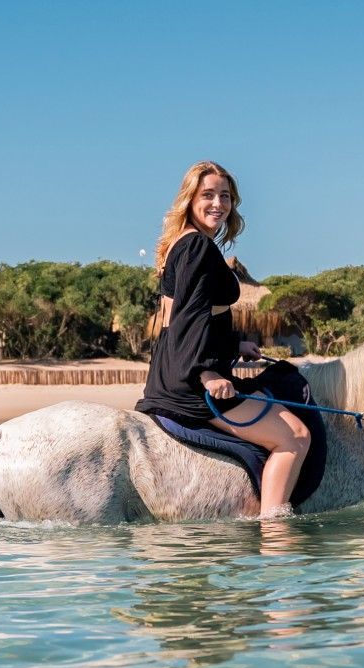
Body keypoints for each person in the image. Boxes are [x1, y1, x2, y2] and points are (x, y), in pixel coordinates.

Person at [136, 161, 310, 518]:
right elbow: (189, 316)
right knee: (295, 436)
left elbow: (178, 318)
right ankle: (274, 529)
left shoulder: (181, 242)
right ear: (189, 199)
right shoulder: (198, 245)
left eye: (225, 196)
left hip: (172, 370)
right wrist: (206, 374)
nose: (218, 204)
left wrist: (234, 346)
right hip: (189, 381)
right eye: (208, 195)